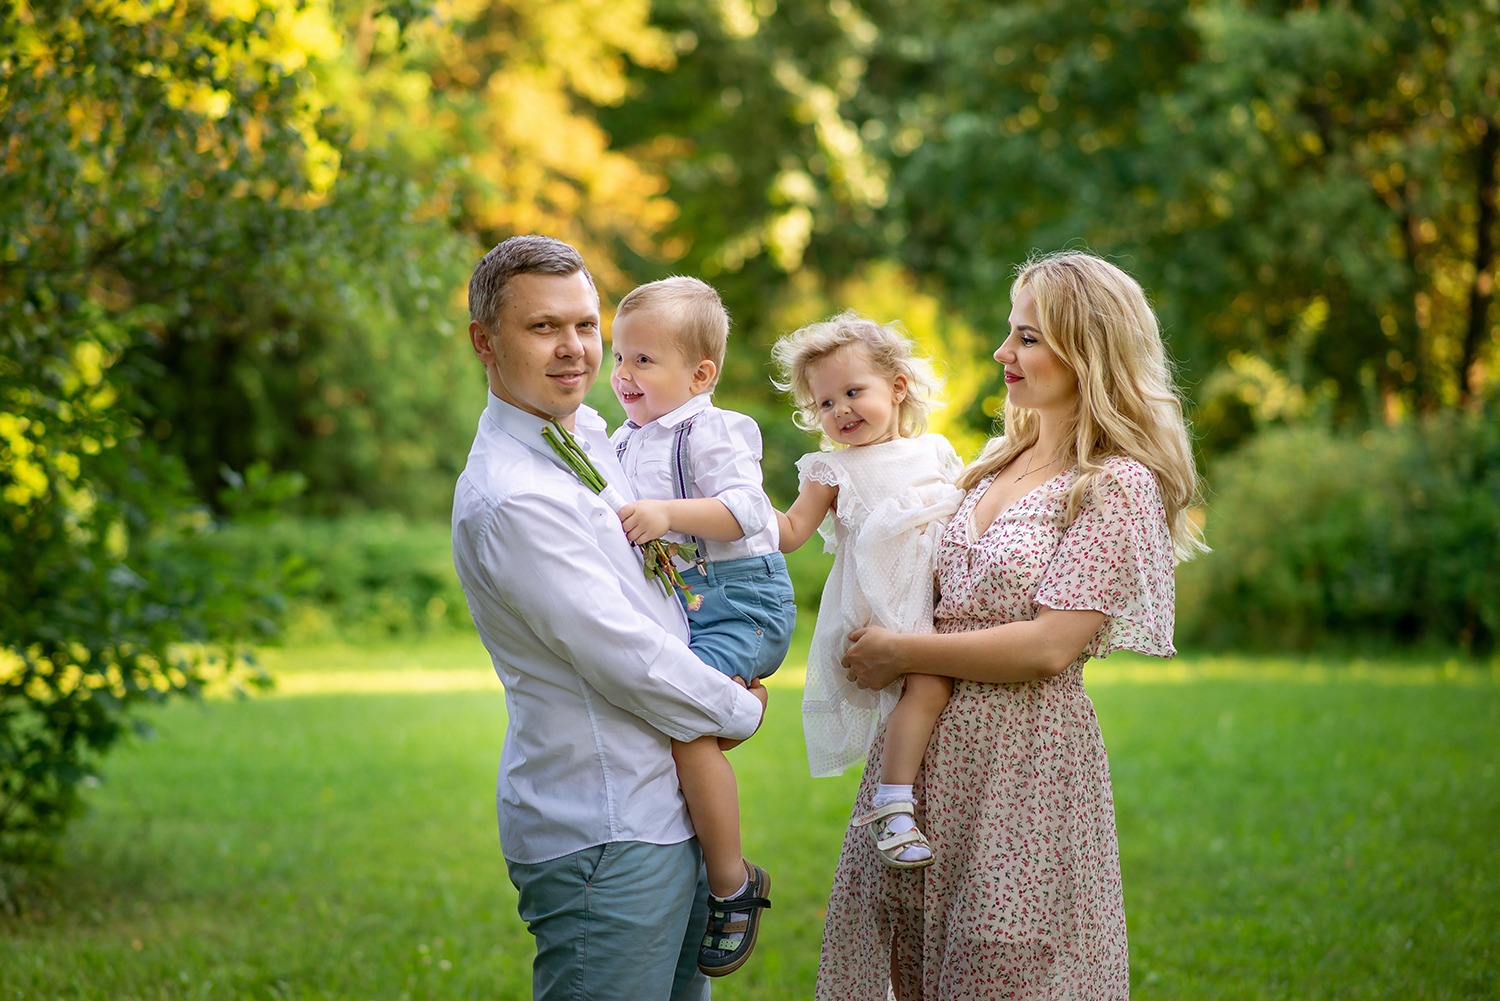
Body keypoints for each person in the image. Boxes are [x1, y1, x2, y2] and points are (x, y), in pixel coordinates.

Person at [816, 252, 1206, 1000]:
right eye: (1010, 334)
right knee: (906, 962)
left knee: (1004, 965)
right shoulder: (1000, 457)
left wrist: (902, 651)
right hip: (920, 761)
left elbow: (1049, 645)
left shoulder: (1116, 483)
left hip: (1022, 766)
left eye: (1026, 338)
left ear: (1085, 348)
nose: (1003, 354)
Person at [450, 235, 768, 1001]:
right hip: (605, 825)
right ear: (484, 342)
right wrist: (737, 708)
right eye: (543, 327)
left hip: (668, 807)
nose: (574, 349)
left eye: (586, 325)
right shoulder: (512, 495)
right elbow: (624, 654)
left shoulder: (586, 434)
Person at [608, 275, 793, 976]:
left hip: (741, 598)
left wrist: (667, 513)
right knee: (662, 721)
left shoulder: (712, 429)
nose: (623, 375)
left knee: (687, 728)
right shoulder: (624, 440)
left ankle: (732, 881)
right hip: (685, 602)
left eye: (644, 361)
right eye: (619, 357)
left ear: (701, 373)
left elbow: (752, 512)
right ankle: (734, 712)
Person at [770, 312, 965, 868]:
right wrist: (736, 503)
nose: (840, 411)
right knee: (926, 688)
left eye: (853, 392)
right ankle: (894, 807)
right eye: (824, 403)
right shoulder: (831, 469)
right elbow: (791, 533)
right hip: (880, 603)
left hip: (933, 593)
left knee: (932, 693)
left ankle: (912, 800)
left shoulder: (936, 450)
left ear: (897, 387)